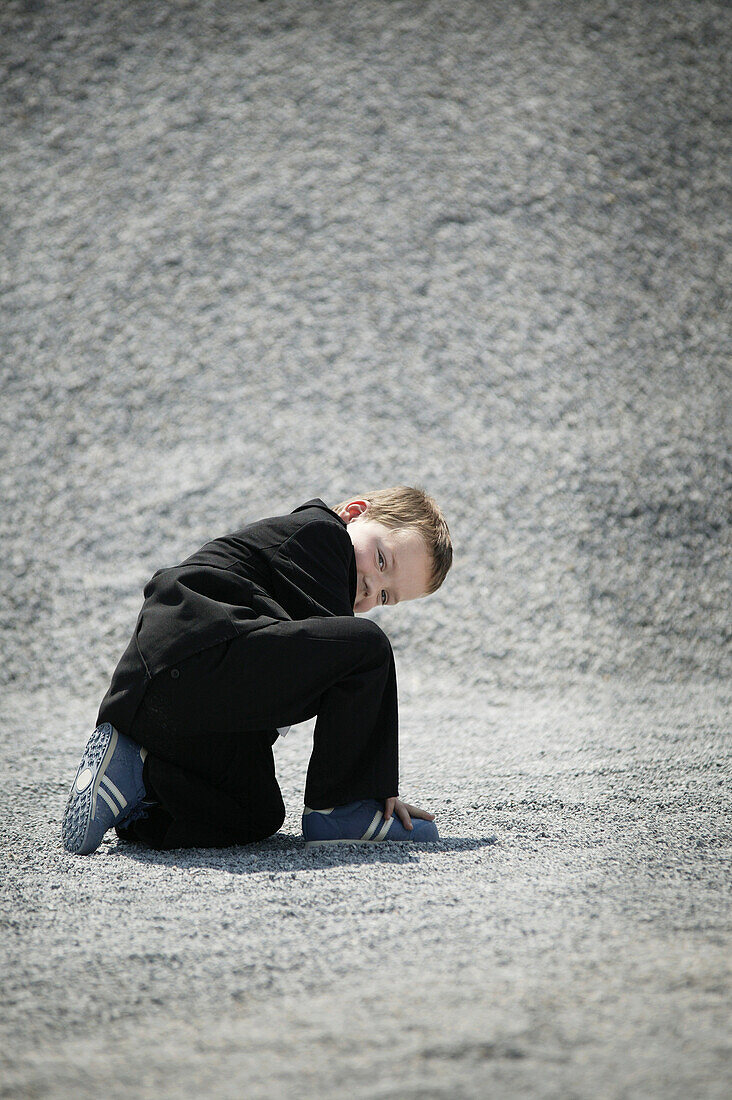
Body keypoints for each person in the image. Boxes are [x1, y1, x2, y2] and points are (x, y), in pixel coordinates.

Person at [61, 487, 453, 854]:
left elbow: (287, 679)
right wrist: (373, 788)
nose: (371, 585)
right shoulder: (320, 535)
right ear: (353, 514)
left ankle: (135, 781)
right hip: (193, 648)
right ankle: (345, 809)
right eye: (382, 560)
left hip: (172, 713)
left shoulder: (313, 614)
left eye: (386, 596)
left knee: (254, 811)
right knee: (369, 646)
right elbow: (336, 670)